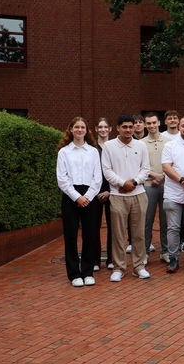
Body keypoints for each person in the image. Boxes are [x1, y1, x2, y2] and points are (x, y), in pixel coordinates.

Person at [101, 114, 151, 282]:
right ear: (118, 128)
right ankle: (118, 267)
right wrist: (122, 183)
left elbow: (145, 168)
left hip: (139, 194)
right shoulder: (109, 146)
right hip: (117, 196)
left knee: (139, 234)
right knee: (118, 234)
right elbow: (107, 170)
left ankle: (139, 266)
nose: (128, 130)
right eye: (125, 127)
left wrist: (134, 182)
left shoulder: (141, 145)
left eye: (131, 127)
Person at [56, 117, 102, 287]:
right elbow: (62, 179)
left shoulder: (93, 151)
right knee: (71, 235)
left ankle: (88, 272)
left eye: (83, 127)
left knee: (90, 234)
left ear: (86, 130)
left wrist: (88, 197)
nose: (80, 130)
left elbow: (97, 178)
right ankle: (74, 274)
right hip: (70, 196)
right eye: (77, 127)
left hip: (90, 194)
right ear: (71, 129)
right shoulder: (64, 152)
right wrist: (77, 197)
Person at [161, 116, 184, 273]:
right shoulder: (170, 145)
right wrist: (183, 180)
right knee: (173, 228)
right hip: (173, 192)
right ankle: (173, 258)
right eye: (183, 125)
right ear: (179, 126)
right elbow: (166, 167)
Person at [141, 112, 172, 263]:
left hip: (167, 184)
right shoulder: (140, 143)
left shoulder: (169, 141)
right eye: (149, 123)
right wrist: (154, 176)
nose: (152, 126)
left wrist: (162, 177)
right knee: (147, 220)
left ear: (159, 123)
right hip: (148, 185)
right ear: (145, 125)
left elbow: (173, 163)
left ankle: (165, 251)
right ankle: (145, 251)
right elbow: (139, 165)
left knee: (166, 220)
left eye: (154, 122)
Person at [94, 117, 113, 270]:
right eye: (100, 127)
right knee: (94, 226)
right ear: (96, 129)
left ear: (110, 129)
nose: (103, 129)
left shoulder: (114, 147)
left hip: (112, 191)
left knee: (113, 227)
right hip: (95, 192)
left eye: (105, 127)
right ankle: (95, 260)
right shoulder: (91, 147)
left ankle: (111, 260)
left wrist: (110, 191)